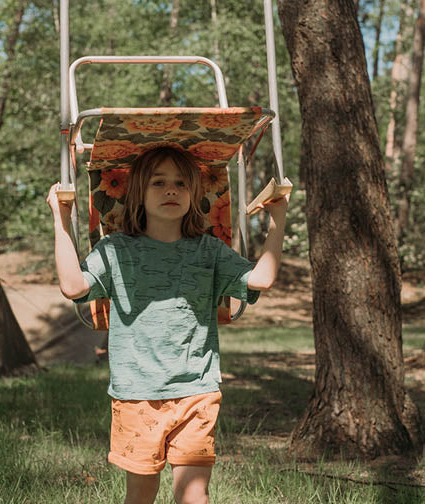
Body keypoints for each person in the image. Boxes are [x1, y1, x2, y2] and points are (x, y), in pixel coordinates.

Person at [47, 146, 289, 504]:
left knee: (194, 496)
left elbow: (262, 279)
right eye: (158, 182)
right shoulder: (116, 250)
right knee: (141, 495)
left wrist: (277, 221)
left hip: (197, 390)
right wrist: (61, 221)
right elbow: (73, 286)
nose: (171, 190)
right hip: (137, 394)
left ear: (193, 195)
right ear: (138, 194)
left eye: (180, 183)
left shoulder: (208, 251)